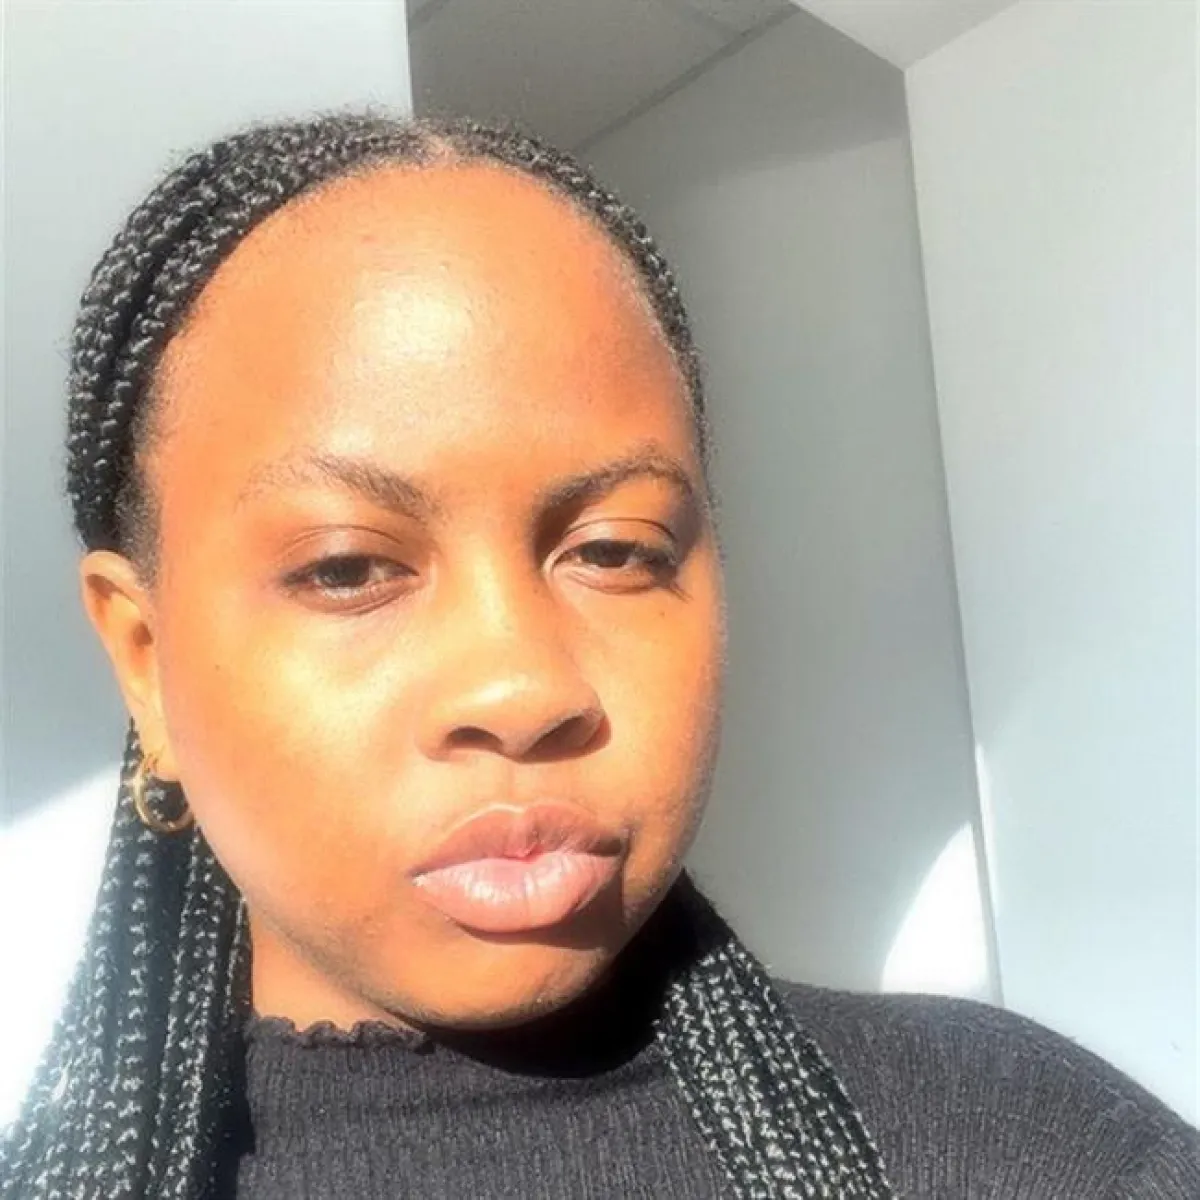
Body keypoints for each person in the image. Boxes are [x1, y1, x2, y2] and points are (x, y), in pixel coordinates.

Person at [1, 111, 1195, 1200]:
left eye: (616, 550)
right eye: (350, 568)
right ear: (144, 658)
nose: (523, 689)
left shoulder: (1029, 1152)